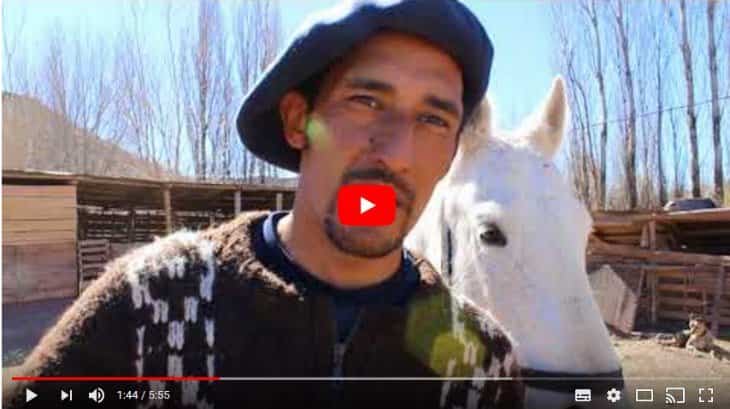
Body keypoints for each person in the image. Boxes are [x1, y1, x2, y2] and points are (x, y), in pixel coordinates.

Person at [5, 1, 523, 408]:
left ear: (450, 154)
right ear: (298, 121)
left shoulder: (482, 365)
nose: (397, 154)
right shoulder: (153, 300)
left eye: (433, 120)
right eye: (366, 102)